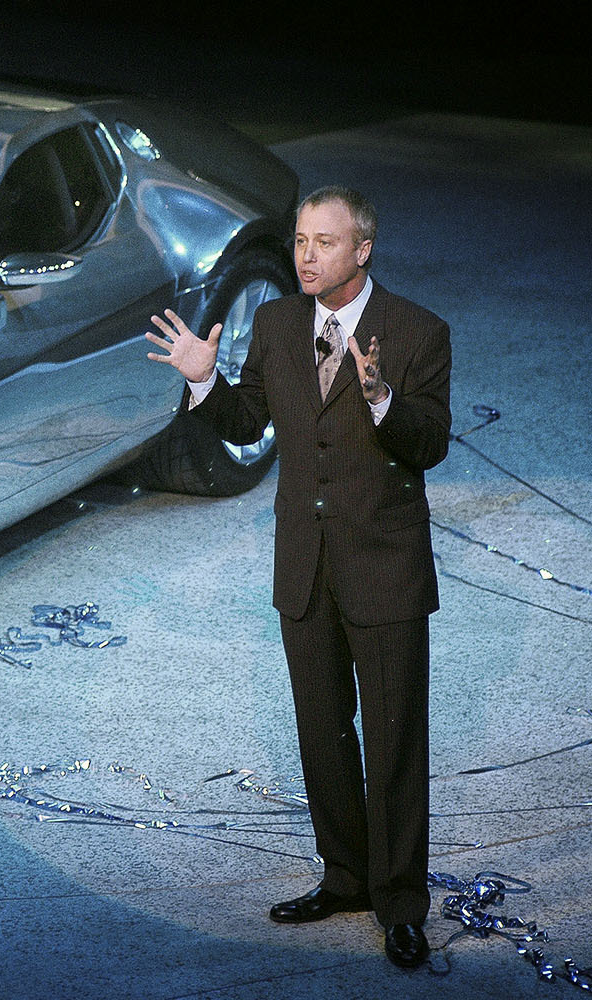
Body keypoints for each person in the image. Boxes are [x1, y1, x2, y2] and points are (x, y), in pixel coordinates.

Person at [144, 185, 451, 969]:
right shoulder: (278, 323)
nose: (305, 256)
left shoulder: (417, 332)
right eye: (300, 241)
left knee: (392, 743)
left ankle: (400, 902)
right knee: (321, 733)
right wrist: (206, 381)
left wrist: (380, 397)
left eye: (323, 242)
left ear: (363, 249)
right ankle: (345, 876)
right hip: (304, 569)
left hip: (383, 569)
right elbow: (251, 421)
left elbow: (429, 445)